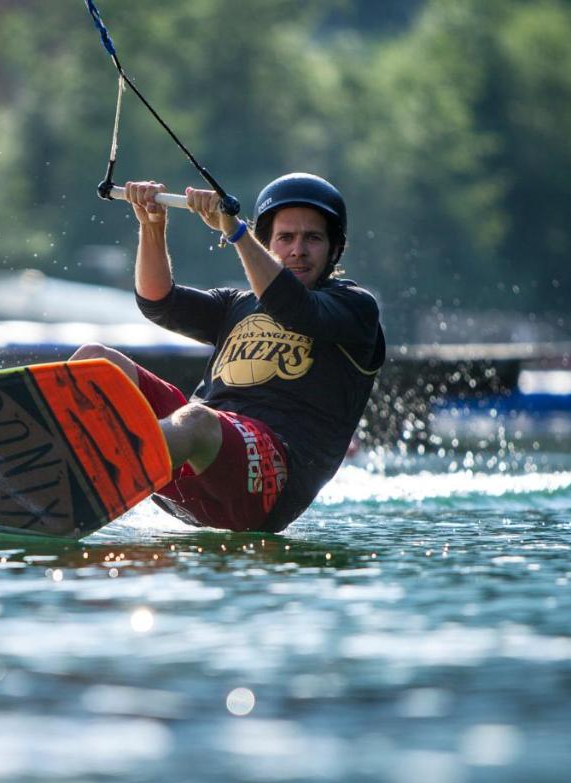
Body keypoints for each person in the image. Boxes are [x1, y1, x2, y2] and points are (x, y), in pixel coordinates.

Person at [70, 173, 385, 533]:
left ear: (334, 249)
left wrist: (235, 231)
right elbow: (159, 301)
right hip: (186, 461)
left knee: (196, 421)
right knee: (96, 361)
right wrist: (153, 224)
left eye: (312, 238)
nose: (298, 249)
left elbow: (294, 308)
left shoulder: (356, 308)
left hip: (267, 483)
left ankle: (80, 481)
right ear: (267, 244)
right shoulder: (237, 305)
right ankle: (44, 469)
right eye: (285, 238)